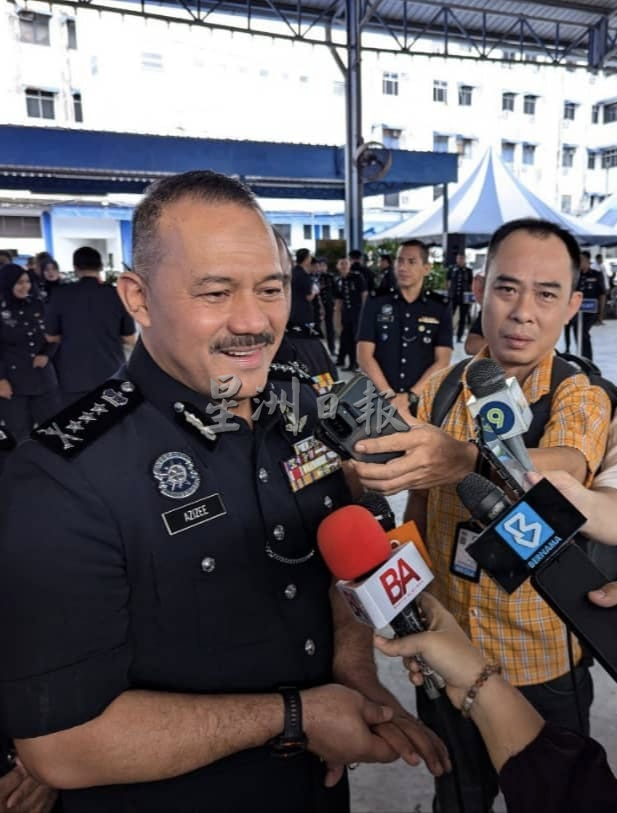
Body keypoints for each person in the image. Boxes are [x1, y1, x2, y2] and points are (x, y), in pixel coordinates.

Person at [0, 170, 449, 813]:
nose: (254, 321)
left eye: (271, 289)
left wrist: (354, 674)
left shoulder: (307, 405)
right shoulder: (64, 476)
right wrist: (297, 716)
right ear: (138, 298)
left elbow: (336, 559)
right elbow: (63, 746)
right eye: (215, 292)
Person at [347, 218, 611, 811]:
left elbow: (568, 465)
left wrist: (465, 458)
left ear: (573, 305)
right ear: (478, 289)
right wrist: (412, 599)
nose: (523, 312)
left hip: (542, 660)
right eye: (506, 288)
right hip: (451, 646)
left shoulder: (577, 392)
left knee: (552, 793)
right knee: (458, 794)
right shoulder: (441, 389)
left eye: (546, 294)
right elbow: (418, 501)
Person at [375, 592, 617, 813]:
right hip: (446, 654)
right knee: (462, 793)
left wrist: (474, 681)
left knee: (564, 775)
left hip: (545, 665)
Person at [356, 239, 452, 420]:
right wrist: (390, 397)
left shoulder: (439, 307)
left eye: (411, 262)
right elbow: (364, 355)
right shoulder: (376, 302)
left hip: (421, 401)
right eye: (399, 261)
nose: (403, 267)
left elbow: (443, 360)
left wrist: (410, 397)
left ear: (426, 268)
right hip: (378, 400)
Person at [45, 246, 137, 407]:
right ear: (100, 266)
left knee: (77, 419)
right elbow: (129, 338)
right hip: (110, 370)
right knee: (112, 419)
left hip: (72, 375)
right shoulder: (116, 295)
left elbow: (52, 336)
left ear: (75, 267)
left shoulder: (60, 294)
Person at [0, 264, 60, 444]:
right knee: (21, 436)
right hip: (13, 383)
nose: (24, 286)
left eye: (26, 282)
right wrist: (1, 380)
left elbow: (55, 334)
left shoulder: (37, 305)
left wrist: (46, 354)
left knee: (54, 433)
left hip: (42, 378)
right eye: (19, 283)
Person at [564, 250, 606, 359]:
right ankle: (581, 356)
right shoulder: (576, 275)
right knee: (577, 331)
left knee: (582, 331)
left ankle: (587, 359)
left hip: (591, 311)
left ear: (587, 260)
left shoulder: (596, 275)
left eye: (582, 260)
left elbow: (602, 294)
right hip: (577, 310)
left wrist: (601, 314)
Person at [335, 256, 367, 371]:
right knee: (346, 337)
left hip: (357, 312)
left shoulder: (357, 277)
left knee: (355, 338)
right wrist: (337, 317)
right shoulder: (338, 281)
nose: (344, 266)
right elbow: (339, 300)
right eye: (341, 264)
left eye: (346, 263)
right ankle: (347, 362)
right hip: (346, 313)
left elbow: (364, 294)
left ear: (349, 265)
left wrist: (365, 312)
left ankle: (356, 363)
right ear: (338, 266)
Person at [447, 253, 474, 343]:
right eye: (459, 259)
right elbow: (448, 282)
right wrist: (449, 293)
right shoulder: (452, 269)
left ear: (465, 259)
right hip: (453, 296)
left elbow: (471, 284)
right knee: (449, 316)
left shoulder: (468, 271)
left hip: (464, 297)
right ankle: (447, 335)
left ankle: (459, 336)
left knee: (463, 318)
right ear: (456, 259)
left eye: (462, 259)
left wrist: (470, 298)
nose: (460, 260)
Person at [288, 248, 316, 330]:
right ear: (306, 259)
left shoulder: (292, 272)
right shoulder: (304, 275)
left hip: (291, 311)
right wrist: (315, 291)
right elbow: (309, 297)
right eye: (309, 256)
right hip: (303, 313)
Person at [316, 257, 337, 357]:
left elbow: (335, 291)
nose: (322, 268)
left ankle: (332, 349)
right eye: (320, 265)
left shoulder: (330, 277)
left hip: (329, 304)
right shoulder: (315, 277)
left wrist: (335, 303)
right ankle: (317, 349)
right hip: (317, 306)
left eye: (324, 265)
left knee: (330, 327)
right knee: (317, 327)